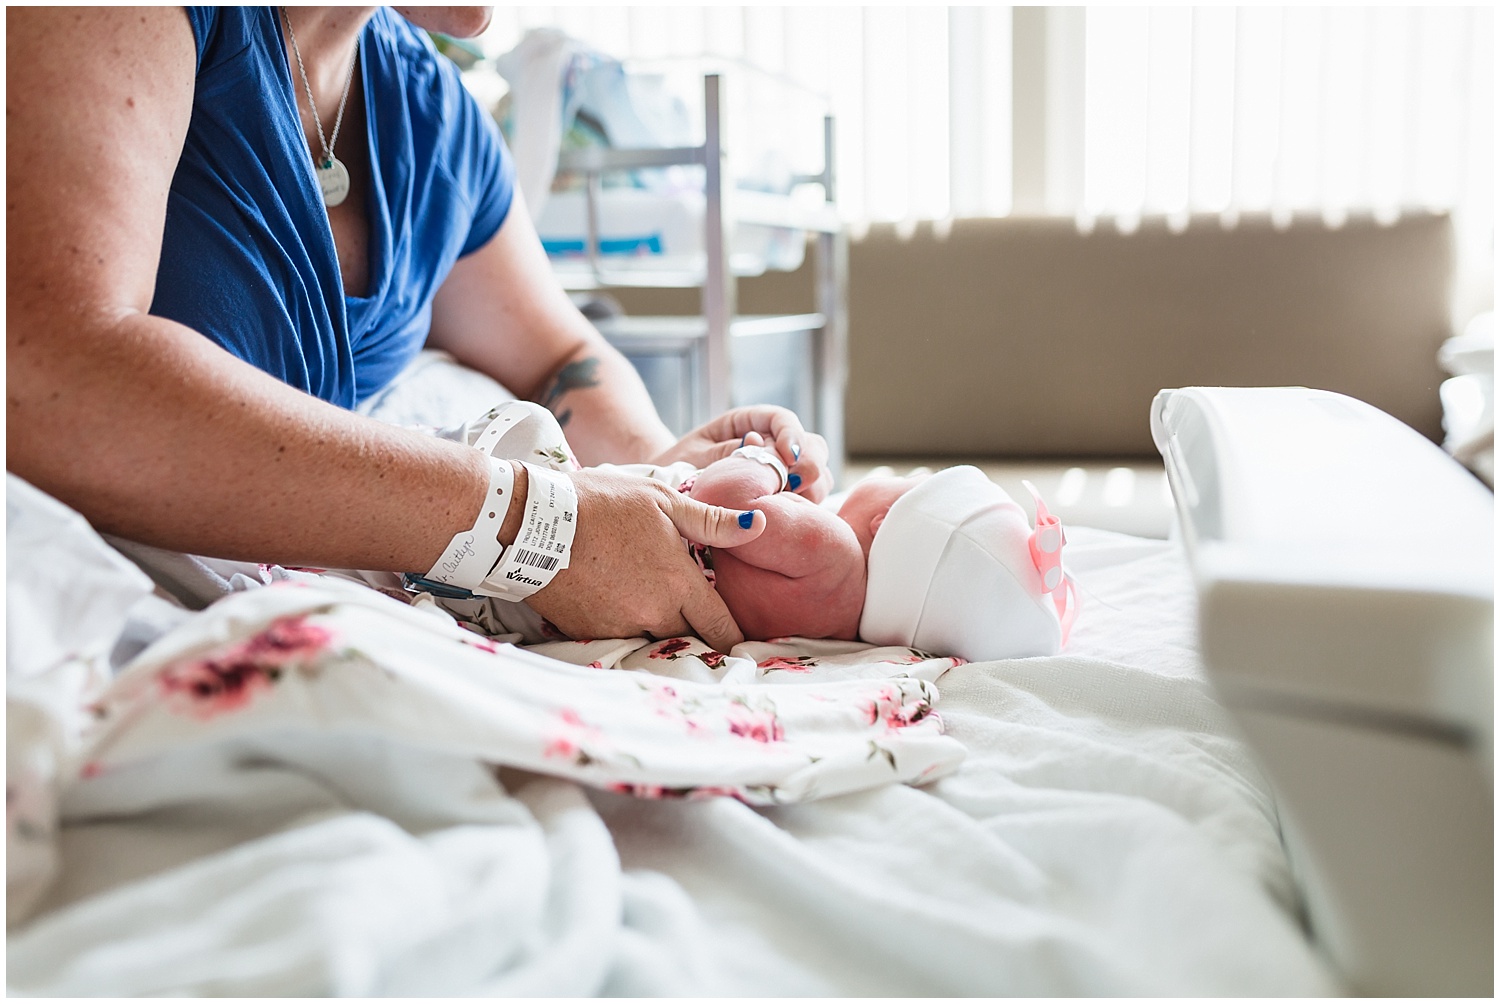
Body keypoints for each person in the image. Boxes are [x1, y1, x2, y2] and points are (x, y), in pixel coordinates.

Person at [5, 6, 831, 653]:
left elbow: (560, 355)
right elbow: (44, 373)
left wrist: (662, 471)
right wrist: (537, 526)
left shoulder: (435, 118)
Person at [402, 402, 1073, 662]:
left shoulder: (835, 551)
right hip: (572, 594)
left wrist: (763, 460)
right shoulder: (839, 620)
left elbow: (730, 512)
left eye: (909, 483)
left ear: (885, 521)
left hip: (556, 542)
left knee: (513, 456)